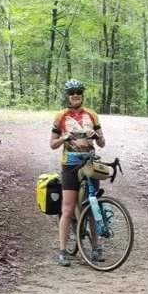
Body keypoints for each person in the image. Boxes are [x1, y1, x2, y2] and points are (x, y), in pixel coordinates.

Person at [50, 79, 106, 266]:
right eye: (72, 92)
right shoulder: (61, 116)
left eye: (78, 92)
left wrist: (96, 136)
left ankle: (96, 248)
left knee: (92, 207)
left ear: (82, 95)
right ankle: (63, 251)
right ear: (67, 96)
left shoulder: (92, 115)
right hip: (70, 164)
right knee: (67, 208)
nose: (75, 95)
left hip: (90, 163)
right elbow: (52, 144)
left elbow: (102, 143)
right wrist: (64, 138)